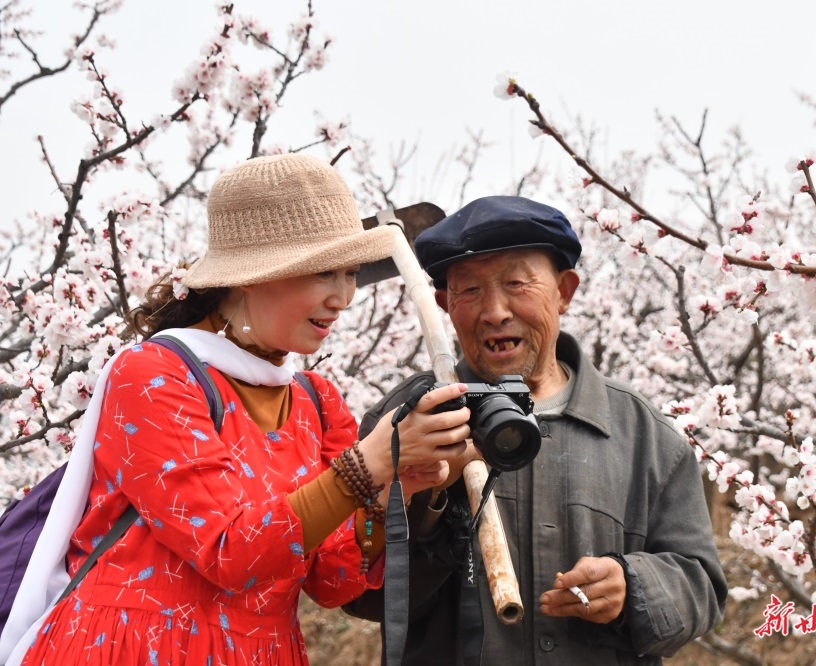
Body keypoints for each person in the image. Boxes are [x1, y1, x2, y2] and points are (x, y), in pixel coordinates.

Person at [6, 154, 472, 666]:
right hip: (137, 648)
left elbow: (333, 580)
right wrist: (366, 466)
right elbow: (228, 551)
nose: (343, 298)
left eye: (351, 273)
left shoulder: (316, 402)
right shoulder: (153, 375)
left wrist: (397, 485)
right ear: (251, 275)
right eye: (323, 273)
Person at [344, 195, 728, 664]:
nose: (495, 311)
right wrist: (423, 498)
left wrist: (634, 587)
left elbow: (702, 585)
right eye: (468, 291)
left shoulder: (643, 436)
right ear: (444, 304)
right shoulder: (404, 422)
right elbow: (355, 589)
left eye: (516, 283)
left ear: (564, 291)